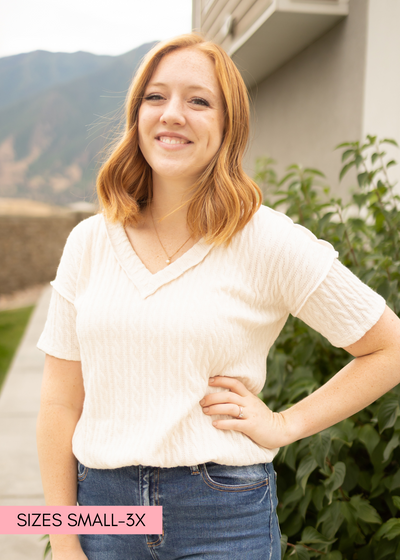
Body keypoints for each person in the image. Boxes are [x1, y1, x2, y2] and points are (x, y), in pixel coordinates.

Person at [36, 33, 400, 560]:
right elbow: (58, 402)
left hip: (223, 515)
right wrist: (65, 540)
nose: (172, 114)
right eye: (155, 97)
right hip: (104, 512)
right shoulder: (89, 242)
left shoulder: (267, 240)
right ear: (136, 116)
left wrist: (285, 424)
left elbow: (389, 348)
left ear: (229, 126)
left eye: (199, 100)